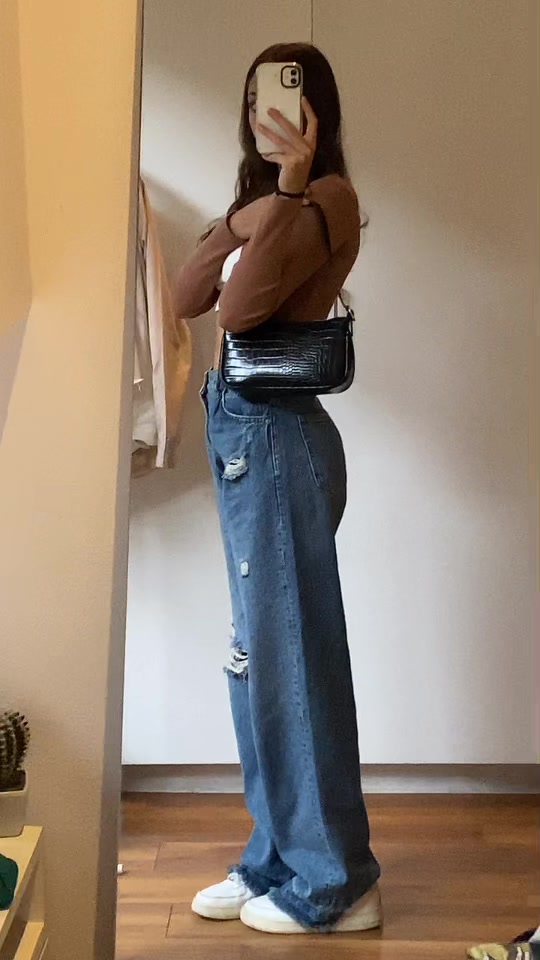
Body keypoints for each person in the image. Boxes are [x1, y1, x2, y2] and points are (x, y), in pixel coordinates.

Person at [174, 42, 381, 935]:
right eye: (257, 95)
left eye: (288, 96)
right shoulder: (263, 206)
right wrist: (245, 212)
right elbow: (185, 291)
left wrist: (289, 192)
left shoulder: (327, 199)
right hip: (243, 438)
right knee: (258, 662)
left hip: (279, 437)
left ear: (316, 111)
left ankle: (336, 882)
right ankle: (276, 856)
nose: (270, 112)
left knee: (292, 661)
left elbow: (240, 310)